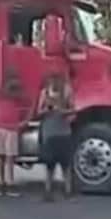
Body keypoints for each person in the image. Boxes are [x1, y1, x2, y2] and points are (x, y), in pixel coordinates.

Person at [0, 69, 30, 197]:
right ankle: (1, 183)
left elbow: (29, 102)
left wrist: (25, 121)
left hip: (12, 128)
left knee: (10, 158)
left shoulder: (18, 94)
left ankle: (10, 183)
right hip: (0, 128)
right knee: (0, 157)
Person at [37, 73, 75, 201]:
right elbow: (38, 112)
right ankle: (48, 191)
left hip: (64, 131)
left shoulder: (67, 91)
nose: (54, 82)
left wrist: (64, 112)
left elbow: (73, 110)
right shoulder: (45, 93)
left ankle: (68, 190)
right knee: (50, 165)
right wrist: (47, 110)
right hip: (49, 132)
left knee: (66, 165)